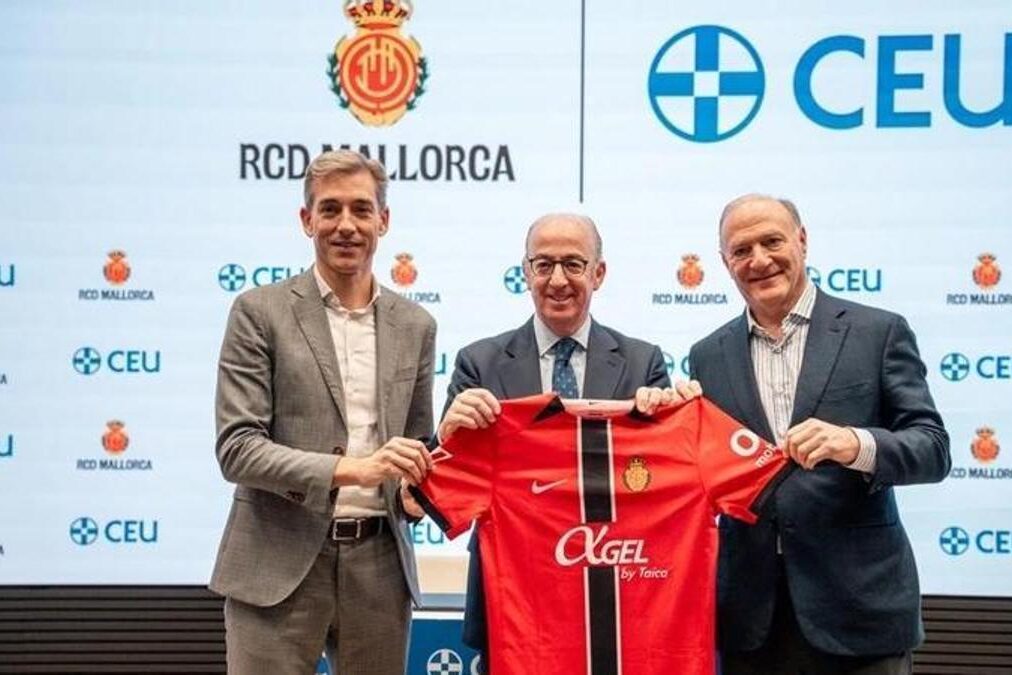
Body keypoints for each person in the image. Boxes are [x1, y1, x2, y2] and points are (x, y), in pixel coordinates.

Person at [689, 195, 950, 674]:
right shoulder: (707, 355)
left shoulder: (877, 332)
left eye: (772, 241)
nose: (759, 260)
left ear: (802, 241)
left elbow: (933, 448)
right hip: (751, 622)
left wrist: (857, 444)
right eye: (741, 250)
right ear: (725, 263)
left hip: (861, 613)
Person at [210, 149, 435, 674]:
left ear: (383, 220)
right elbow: (237, 449)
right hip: (276, 564)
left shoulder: (416, 325)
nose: (346, 225)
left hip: (380, 570)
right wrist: (354, 469)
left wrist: (417, 493)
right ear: (306, 220)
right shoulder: (258, 312)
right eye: (330, 209)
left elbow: (417, 447)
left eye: (361, 209)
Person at [438, 212, 697, 665]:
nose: (558, 280)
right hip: (512, 602)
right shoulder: (478, 363)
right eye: (544, 265)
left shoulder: (643, 363)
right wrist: (447, 435)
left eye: (574, 264)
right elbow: (443, 485)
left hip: (614, 594)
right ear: (525, 273)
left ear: (599, 273)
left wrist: (678, 416)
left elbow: (662, 482)